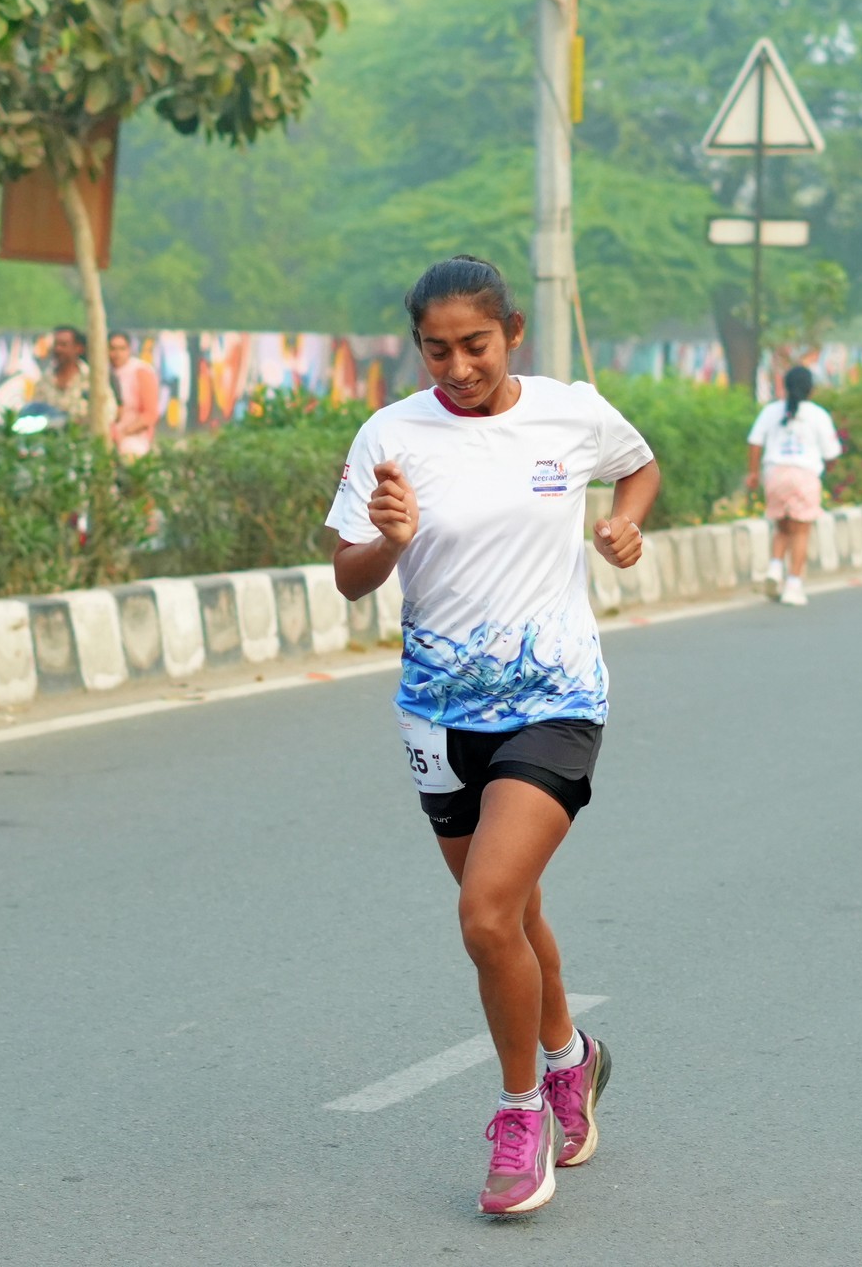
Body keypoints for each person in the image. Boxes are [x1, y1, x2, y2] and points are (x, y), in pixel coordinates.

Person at [326, 255, 660, 1218]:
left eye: (475, 344)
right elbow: (349, 576)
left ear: (513, 330)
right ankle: (572, 1059)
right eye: (436, 350)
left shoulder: (569, 412)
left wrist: (624, 524)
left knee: (484, 915)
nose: (459, 367)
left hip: (555, 699)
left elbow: (638, 466)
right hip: (439, 713)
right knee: (511, 914)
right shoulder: (391, 434)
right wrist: (390, 540)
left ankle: (521, 1119)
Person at [745, 365, 842, 607]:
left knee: (782, 526)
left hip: (775, 473)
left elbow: (755, 442)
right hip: (804, 474)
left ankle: (775, 568)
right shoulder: (818, 415)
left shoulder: (771, 411)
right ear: (811, 389)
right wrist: (828, 469)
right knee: (800, 531)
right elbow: (832, 454)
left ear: (785, 386)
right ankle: (793, 585)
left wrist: (753, 473)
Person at [37, 325, 113, 432]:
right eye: (56, 344)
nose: (58, 349)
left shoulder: (92, 379)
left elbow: (109, 411)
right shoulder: (45, 379)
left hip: (84, 436)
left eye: (63, 345)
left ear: (78, 348)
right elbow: (35, 410)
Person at [107, 330, 161, 458]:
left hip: (133, 436)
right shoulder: (100, 371)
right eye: (112, 349)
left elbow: (150, 415)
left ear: (129, 349)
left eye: (122, 349)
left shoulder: (140, 371)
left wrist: (123, 433)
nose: (117, 354)